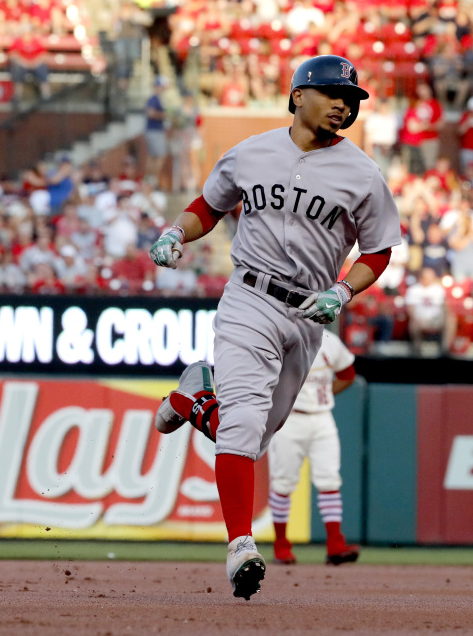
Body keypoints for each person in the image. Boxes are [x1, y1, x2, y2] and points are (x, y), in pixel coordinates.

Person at [149, 55, 401, 600]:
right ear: (296, 96)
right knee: (241, 426)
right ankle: (241, 544)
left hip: (309, 314)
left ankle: (193, 397)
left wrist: (342, 289)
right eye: (333, 93)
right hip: (249, 297)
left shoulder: (362, 173)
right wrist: (177, 231)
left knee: (254, 438)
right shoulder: (252, 151)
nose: (343, 104)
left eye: (351, 99)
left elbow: (379, 249)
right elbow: (209, 206)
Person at [267, 328, 360, 567]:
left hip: (322, 418)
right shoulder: (283, 338)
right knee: (283, 482)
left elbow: (348, 374)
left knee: (329, 480)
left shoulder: (330, 341)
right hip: (289, 419)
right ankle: (281, 545)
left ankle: (335, 544)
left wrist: (327, 393)